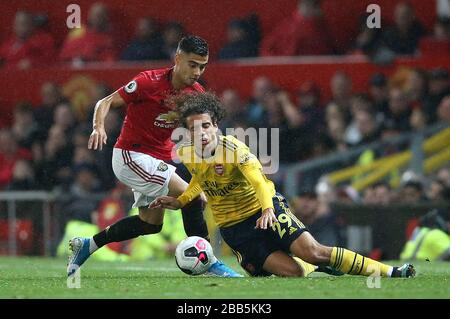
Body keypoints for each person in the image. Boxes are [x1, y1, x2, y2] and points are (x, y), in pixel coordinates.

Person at [151, 92, 416, 278]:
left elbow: (260, 182)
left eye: (206, 126)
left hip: (263, 210)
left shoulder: (235, 150)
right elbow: (201, 180)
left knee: (313, 252)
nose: (203, 133)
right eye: (195, 129)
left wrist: (267, 210)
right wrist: (181, 201)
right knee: (295, 273)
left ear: (216, 125)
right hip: (236, 231)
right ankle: (319, 270)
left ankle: (391, 272)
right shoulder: (187, 154)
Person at [67, 35, 242, 278]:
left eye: (202, 66)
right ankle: (209, 261)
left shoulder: (195, 94)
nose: (197, 71)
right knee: (193, 197)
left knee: (150, 224)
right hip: (131, 156)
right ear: (178, 58)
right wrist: (98, 126)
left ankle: (87, 245)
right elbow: (105, 102)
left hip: (158, 160)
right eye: (192, 64)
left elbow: (208, 129)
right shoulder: (148, 82)